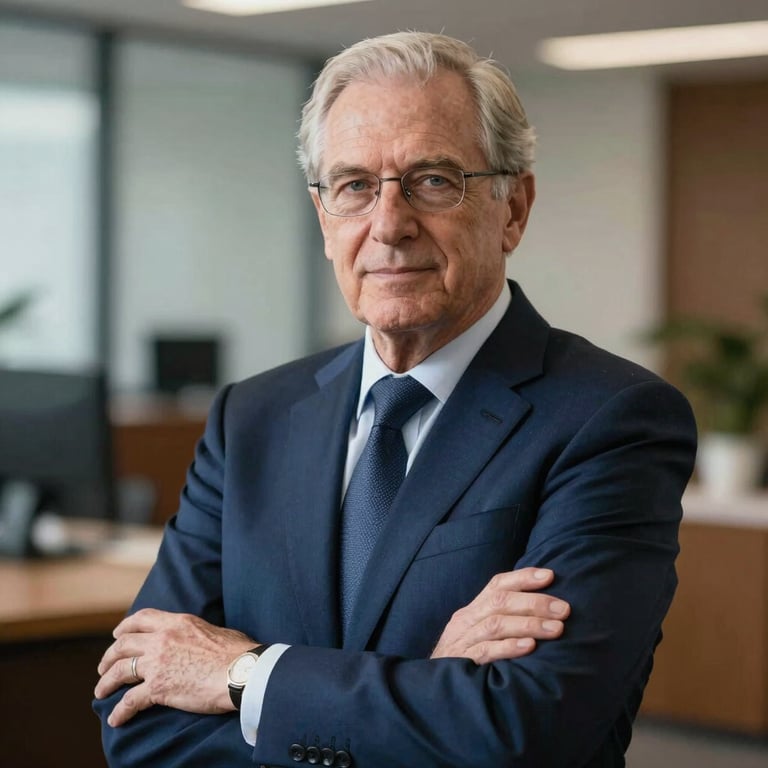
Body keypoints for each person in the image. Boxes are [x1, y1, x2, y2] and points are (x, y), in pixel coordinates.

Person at [94, 31, 696, 767]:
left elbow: (523, 731)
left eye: (433, 180)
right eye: (353, 186)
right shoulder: (248, 419)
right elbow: (136, 721)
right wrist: (426, 684)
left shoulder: (612, 420)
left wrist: (242, 674)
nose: (388, 224)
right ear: (324, 218)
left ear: (514, 208)